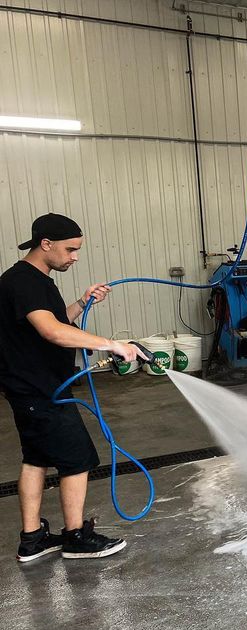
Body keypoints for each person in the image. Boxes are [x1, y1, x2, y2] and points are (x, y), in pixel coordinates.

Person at [0, 213, 146, 562]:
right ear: (45, 244)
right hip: (42, 389)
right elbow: (52, 332)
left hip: (31, 389)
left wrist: (83, 302)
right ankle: (76, 537)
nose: (75, 257)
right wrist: (112, 344)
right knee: (77, 461)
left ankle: (33, 539)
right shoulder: (24, 282)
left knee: (36, 460)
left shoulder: (34, 279)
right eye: (70, 249)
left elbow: (51, 322)